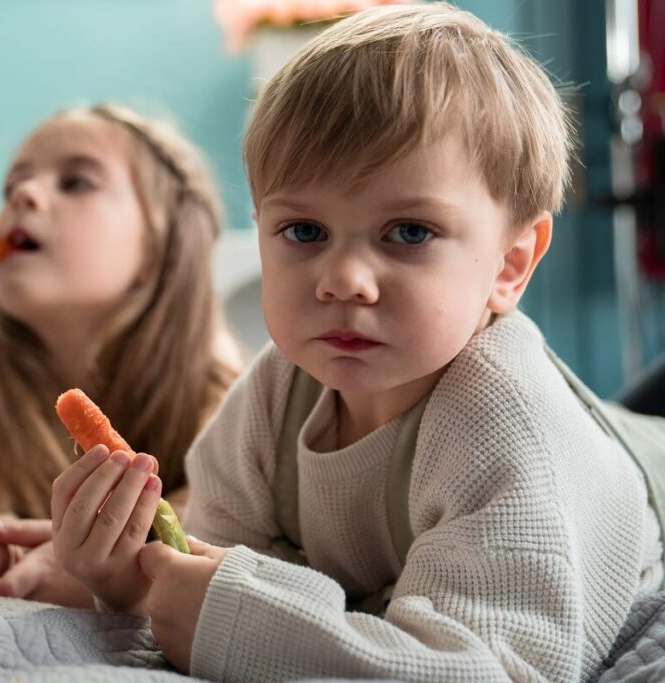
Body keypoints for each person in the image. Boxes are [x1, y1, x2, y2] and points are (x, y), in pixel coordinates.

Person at [51, 4, 665, 679]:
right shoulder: (272, 397)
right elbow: (217, 572)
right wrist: (133, 578)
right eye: (305, 232)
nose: (343, 281)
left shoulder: (508, 434)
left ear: (511, 264)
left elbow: (487, 668)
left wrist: (242, 626)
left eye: (408, 232)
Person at [0, 102, 243, 605]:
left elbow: (225, 522)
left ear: (159, 245)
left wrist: (107, 564)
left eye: (76, 182)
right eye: (11, 185)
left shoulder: (215, 375)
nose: (22, 194)